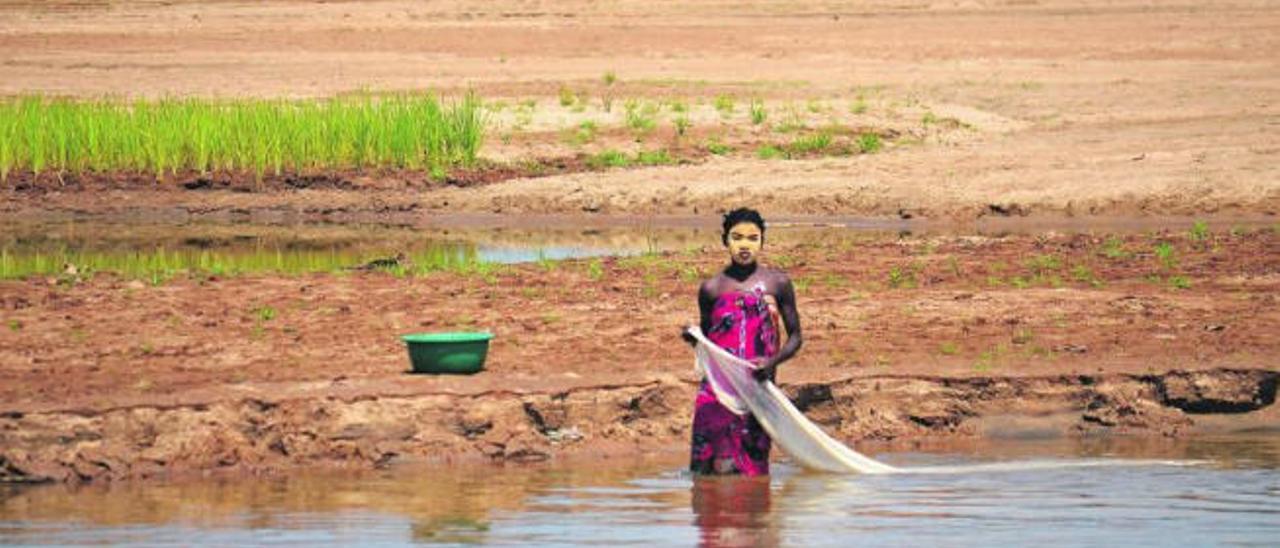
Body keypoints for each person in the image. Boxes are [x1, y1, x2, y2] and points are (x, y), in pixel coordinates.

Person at [683, 207, 802, 476]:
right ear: (725, 240)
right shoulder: (711, 288)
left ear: (762, 241)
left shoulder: (778, 283)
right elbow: (709, 344)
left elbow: (796, 337)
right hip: (716, 392)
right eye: (737, 238)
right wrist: (694, 339)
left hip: (757, 391)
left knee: (751, 471)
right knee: (705, 470)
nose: (744, 245)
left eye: (752, 238)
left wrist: (772, 362)